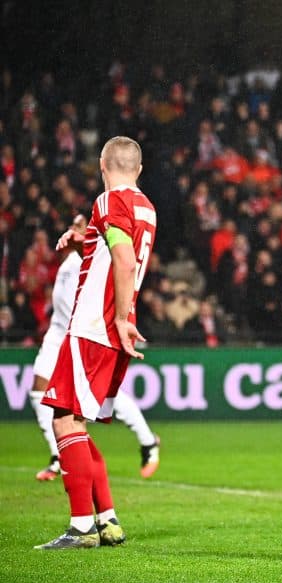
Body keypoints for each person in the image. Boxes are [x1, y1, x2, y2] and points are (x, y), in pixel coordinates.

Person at [35, 136, 157, 549]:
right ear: (138, 169)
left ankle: (81, 526)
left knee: (63, 420)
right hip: (113, 329)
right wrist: (82, 243)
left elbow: (122, 260)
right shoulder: (147, 208)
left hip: (95, 326)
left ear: (103, 165)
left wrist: (119, 319)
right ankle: (106, 519)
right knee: (78, 427)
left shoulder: (108, 202)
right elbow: (116, 252)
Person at [30, 215, 161, 482]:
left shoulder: (95, 262)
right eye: (71, 224)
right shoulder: (69, 261)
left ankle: (148, 440)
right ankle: (58, 455)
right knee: (39, 391)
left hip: (81, 334)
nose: (72, 229)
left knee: (100, 399)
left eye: (78, 225)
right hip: (58, 333)